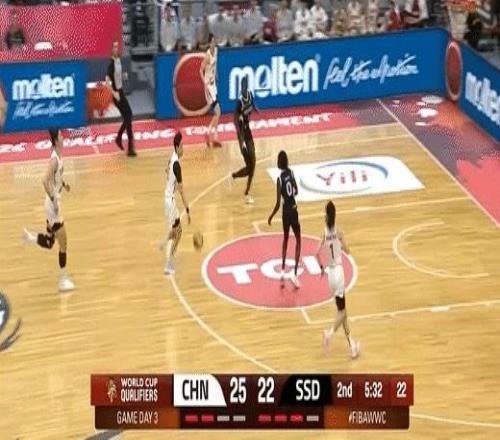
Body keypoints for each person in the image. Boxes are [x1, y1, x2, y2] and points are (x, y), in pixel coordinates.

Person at [23, 129, 75, 293]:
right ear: (55, 140)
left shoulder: (59, 156)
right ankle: (63, 281)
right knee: (63, 243)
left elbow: (55, 178)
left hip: (52, 205)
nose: (63, 137)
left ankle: (30, 238)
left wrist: (64, 184)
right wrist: (54, 200)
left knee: (50, 242)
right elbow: (45, 180)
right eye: (60, 136)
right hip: (53, 207)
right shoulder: (54, 160)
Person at [315, 201, 360, 359]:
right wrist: (340, 242)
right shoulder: (339, 231)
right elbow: (348, 250)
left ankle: (352, 345)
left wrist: (321, 268)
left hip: (330, 275)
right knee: (342, 312)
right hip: (339, 273)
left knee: (343, 312)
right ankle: (329, 334)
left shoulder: (324, 233)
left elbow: (316, 253)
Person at [268, 150, 301, 289]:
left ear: (278, 163)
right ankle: (295, 274)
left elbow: (277, 203)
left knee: (286, 238)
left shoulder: (279, 180)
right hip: (293, 210)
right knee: (298, 239)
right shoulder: (291, 173)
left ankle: (282, 269)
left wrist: (271, 216)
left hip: (285, 213)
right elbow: (296, 191)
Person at [160, 132, 191, 275]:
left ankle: (163, 242)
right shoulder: (177, 165)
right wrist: (188, 210)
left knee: (175, 227)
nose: (183, 148)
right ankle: (169, 264)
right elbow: (182, 191)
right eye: (182, 146)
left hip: (167, 198)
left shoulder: (172, 157)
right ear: (177, 147)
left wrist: (170, 179)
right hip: (170, 201)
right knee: (179, 232)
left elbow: (166, 170)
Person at [105, 39, 136, 157]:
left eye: (117, 47)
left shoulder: (118, 60)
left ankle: (120, 139)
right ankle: (129, 147)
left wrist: (123, 76)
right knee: (129, 115)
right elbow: (107, 81)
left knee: (128, 117)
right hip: (117, 94)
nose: (116, 49)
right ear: (111, 50)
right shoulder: (111, 63)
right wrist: (114, 93)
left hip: (121, 92)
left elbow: (118, 75)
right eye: (114, 47)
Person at [231, 77, 259, 204]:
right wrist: (242, 142)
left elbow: (252, 104)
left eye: (244, 87)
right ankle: (234, 176)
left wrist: (257, 109)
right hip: (242, 135)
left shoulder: (250, 95)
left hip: (248, 132)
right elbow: (236, 122)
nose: (242, 89)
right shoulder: (239, 102)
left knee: (253, 164)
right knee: (249, 167)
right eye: (241, 87)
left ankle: (247, 193)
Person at [200, 34, 222, 148]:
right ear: (209, 43)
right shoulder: (207, 56)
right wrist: (204, 83)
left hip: (214, 85)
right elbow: (200, 69)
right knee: (218, 112)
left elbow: (214, 66)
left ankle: (215, 138)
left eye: (214, 41)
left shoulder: (216, 51)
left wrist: (216, 75)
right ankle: (208, 132)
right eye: (212, 42)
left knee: (217, 114)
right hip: (208, 86)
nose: (213, 43)